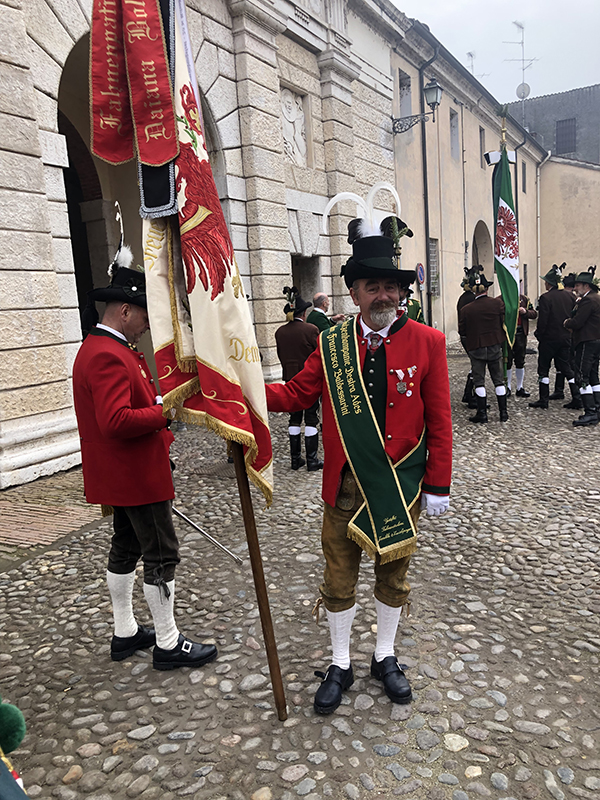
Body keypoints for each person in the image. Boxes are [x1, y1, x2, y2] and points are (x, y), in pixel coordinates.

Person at [266, 215, 452, 714]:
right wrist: (239, 388)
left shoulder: (429, 343)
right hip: (343, 487)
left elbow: (440, 421)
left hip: (399, 485)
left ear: (400, 292)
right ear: (355, 293)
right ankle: (341, 661)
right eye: (373, 287)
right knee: (338, 577)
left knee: (394, 577)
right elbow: (295, 394)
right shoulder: (332, 346)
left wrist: (439, 484)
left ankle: (385, 655)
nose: (384, 296)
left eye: (391, 286)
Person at [73, 250, 217, 671]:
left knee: (126, 545)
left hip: (126, 472)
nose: (148, 321)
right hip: (135, 473)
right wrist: (166, 410)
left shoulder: (107, 346)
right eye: (142, 313)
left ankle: (125, 633)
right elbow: (116, 420)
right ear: (123, 310)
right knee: (161, 553)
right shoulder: (106, 353)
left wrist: (153, 404)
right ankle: (168, 643)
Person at [275, 288, 323, 471]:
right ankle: (312, 460)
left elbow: (281, 355)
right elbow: (319, 354)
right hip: (308, 381)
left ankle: (296, 459)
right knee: (311, 418)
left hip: (289, 380)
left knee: (294, 419)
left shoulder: (280, 332)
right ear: (303, 313)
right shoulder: (311, 329)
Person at [458, 267, 508, 423]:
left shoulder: (466, 309)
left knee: (479, 381)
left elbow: (462, 331)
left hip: (477, 347)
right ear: (487, 288)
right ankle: (503, 413)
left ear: (473, 290)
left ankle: (482, 414)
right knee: (498, 380)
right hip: (494, 345)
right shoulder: (498, 304)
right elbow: (503, 322)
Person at [528, 265, 578, 410]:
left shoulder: (545, 298)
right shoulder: (571, 296)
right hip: (565, 337)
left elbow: (543, 320)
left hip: (549, 339)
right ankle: (577, 396)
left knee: (543, 369)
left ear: (549, 283)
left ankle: (543, 399)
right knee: (567, 368)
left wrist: (539, 335)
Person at [563, 267, 600, 426]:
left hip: (586, 340)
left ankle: (590, 412)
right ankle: (597, 408)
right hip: (596, 340)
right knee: (593, 375)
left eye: (578, 285)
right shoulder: (596, 298)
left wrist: (567, 323)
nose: (575, 288)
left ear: (586, 287)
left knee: (582, 376)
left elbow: (578, 322)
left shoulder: (587, 301)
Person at [549, 272, 577, 402]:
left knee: (568, 366)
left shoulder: (574, 298)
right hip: (566, 336)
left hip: (569, 336)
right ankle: (559, 390)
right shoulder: (570, 297)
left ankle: (576, 395)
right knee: (561, 365)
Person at [506, 291, 537, 397]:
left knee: (520, 360)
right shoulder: (501, 299)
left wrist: (525, 312)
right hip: (508, 334)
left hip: (520, 333)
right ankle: (508, 387)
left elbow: (534, 314)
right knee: (507, 360)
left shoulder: (524, 299)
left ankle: (520, 387)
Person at [457, 271, 477, 407]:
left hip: (467, 335)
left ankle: (469, 392)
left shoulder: (463, 298)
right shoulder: (470, 299)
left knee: (475, 364)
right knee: (477, 364)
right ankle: (469, 393)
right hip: (472, 335)